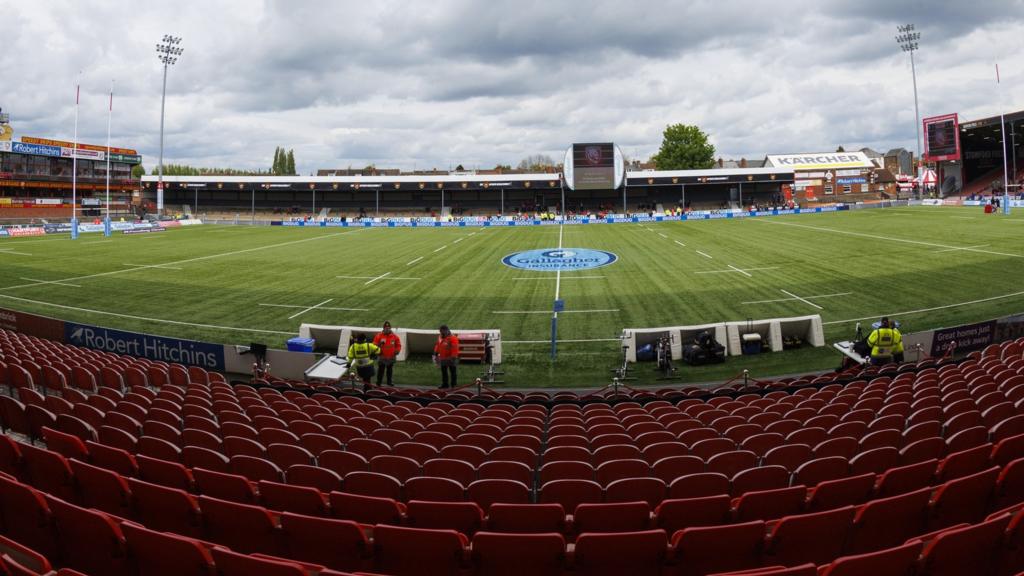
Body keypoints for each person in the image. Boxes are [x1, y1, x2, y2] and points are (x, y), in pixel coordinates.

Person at [373, 321, 401, 387]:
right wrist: (378, 348)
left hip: (391, 357)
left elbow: (398, 345)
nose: (387, 329)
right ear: (383, 328)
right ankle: (378, 383)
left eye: (388, 328)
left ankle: (389, 382)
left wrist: (397, 351)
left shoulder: (395, 337)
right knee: (381, 371)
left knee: (389, 370)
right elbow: (374, 345)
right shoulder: (378, 336)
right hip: (382, 357)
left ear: (390, 328)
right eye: (386, 328)